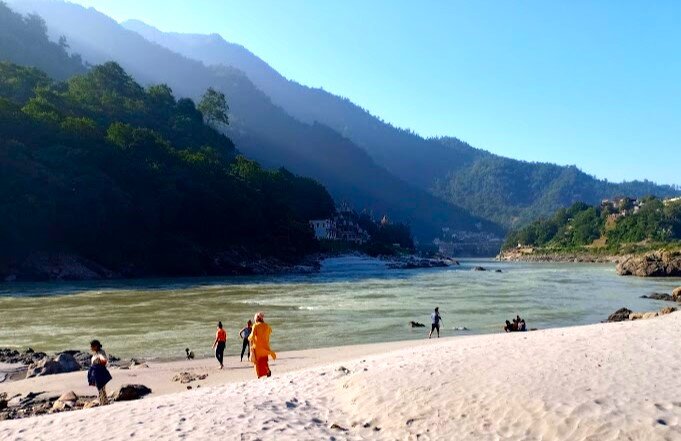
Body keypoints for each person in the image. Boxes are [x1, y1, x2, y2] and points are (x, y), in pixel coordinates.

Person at [248, 312, 276, 378]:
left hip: (257, 347)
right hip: (265, 347)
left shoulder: (255, 326)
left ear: (256, 319)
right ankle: (267, 371)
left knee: (257, 363)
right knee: (264, 361)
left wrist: (248, 337)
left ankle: (259, 376)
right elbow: (270, 331)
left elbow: (251, 336)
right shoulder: (267, 326)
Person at [87, 339, 112, 405]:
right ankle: (104, 402)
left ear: (96, 346)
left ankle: (104, 402)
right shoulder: (96, 353)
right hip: (97, 373)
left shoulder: (101, 352)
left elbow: (104, 360)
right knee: (100, 388)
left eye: (91, 346)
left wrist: (99, 359)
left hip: (101, 373)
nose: (90, 348)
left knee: (101, 388)